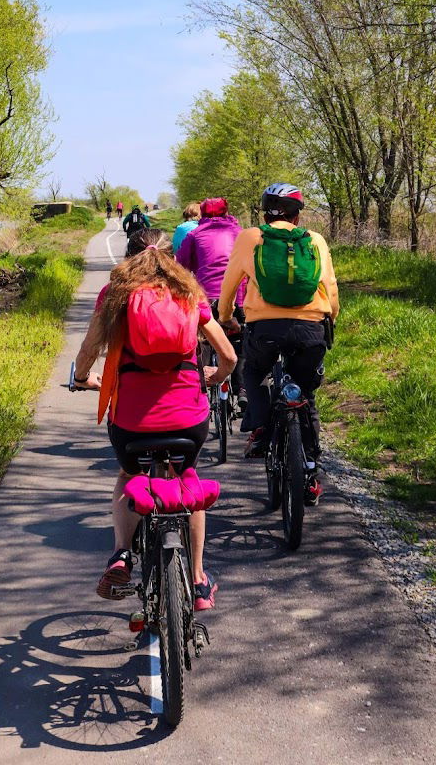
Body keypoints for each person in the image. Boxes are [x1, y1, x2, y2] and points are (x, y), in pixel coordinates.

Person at [73, 228, 236, 610]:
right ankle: (196, 580)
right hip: (188, 419)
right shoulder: (190, 295)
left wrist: (83, 379)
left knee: (128, 476)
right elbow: (227, 356)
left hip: (132, 422)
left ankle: (121, 555)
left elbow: (88, 349)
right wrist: (214, 377)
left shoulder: (115, 296)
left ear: (129, 258)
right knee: (186, 481)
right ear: (172, 258)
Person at [217, 183, 339, 503]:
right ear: (298, 214)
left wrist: (226, 316)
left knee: (254, 372)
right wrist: (331, 318)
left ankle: (259, 429)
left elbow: (230, 284)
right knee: (306, 395)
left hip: (264, 328)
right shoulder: (315, 240)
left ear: (265, 211)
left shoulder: (250, 237)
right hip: (311, 328)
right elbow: (330, 286)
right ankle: (310, 472)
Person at [176, 197, 246, 406]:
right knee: (240, 343)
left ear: (203, 214)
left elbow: (180, 267)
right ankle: (242, 389)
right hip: (237, 299)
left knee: (202, 341)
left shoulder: (195, 234)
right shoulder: (239, 233)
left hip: (206, 299)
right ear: (227, 213)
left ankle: (200, 388)